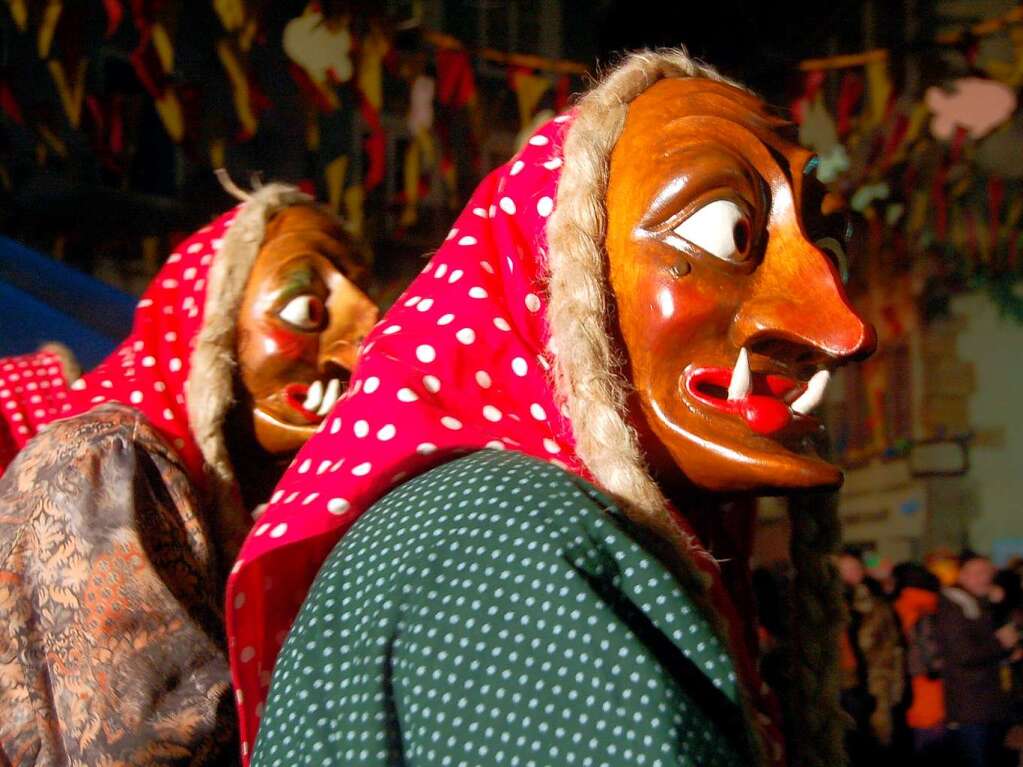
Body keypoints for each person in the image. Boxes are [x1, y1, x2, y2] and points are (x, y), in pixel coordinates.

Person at [230, 49, 876, 766]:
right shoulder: (497, 542)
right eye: (729, 235)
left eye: (830, 250)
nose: (841, 329)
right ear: (566, 277)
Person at [0, 182, 379, 765]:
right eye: (307, 308)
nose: (361, 349)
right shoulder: (106, 460)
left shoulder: (225, 498)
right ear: (210, 325)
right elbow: (156, 742)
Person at [937, 553, 1018, 767]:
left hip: (991, 704)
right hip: (972, 706)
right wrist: (1001, 644)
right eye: (977, 573)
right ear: (962, 576)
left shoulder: (981, 604)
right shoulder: (954, 607)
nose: (984, 578)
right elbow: (964, 654)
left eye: (988, 573)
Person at [836, 548, 905, 760]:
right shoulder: (827, 608)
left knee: (874, 746)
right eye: (844, 570)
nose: (850, 575)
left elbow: (892, 650)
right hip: (839, 688)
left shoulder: (877, 606)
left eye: (855, 568)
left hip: (873, 687)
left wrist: (894, 688)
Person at [892, 562, 948, 765]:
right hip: (931, 677)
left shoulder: (900, 605)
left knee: (921, 728)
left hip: (910, 676)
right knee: (933, 728)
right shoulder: (932, 606)